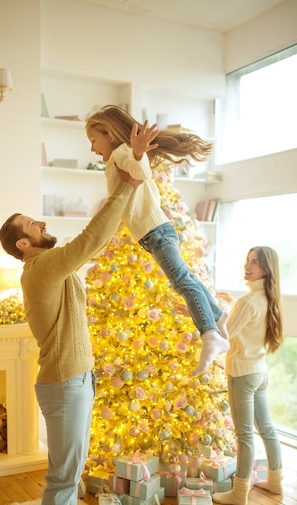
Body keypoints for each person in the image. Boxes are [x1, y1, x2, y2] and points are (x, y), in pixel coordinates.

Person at [0, 152, 149, 505]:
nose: (41, 223)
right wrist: (125, 187)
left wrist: (119, 182)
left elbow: (92, 231)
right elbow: (90, 241)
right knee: (62, 476)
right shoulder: (41, 269)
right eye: (33, 225)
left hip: (79, 380)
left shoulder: (49, 266)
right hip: (64, 384)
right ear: (23, 244)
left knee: (73, 467)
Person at [86, 105, 229, 377]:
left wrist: (138, 152)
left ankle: (210, 333)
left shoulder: (122, 152)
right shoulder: (118, 156)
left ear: (108, 133)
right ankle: (219, 316)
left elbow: (140, 174)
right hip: (154, 234)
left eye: (94, 140)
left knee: (181, 281)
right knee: (185, 278)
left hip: (157, 233)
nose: (93, 148)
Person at [212, 246, 284, 505]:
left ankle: (239, 492)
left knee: (244, 435)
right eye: (248, 260)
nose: (248, 265)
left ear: (265, 269)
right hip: (260, 372)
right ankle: (276, 482)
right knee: (266, 429)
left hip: (242, 374)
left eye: (255, 262)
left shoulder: (248, 301)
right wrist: (232, 304)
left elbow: (224, 334)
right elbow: (248, 323)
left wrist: (196, 315)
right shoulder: (267, 296)